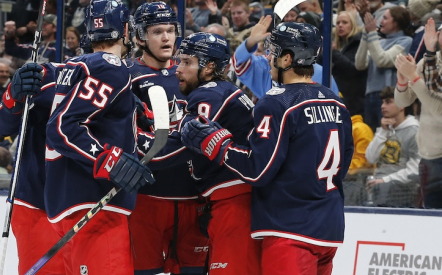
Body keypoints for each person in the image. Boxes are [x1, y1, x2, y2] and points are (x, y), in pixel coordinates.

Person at [181, 22, 354, 274]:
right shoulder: (336, 102)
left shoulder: (276, 102)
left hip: (290, 229)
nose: (268, 58)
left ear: (287, 58)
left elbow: (257, 171)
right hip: (330, 228)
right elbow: (343, 165)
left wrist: (215, 143)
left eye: (272, 52)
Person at [45, 0, 154, 274]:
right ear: (126, 29)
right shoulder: (112, 67)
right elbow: (62, 127)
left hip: (68, 204)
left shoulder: (76, 64)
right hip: (96, 207)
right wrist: (110, 160)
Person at [137, 32, 261, 274]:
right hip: (233, 200)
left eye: (186, 62)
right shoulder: (223, 91)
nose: (177, 69)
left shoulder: (209, 94)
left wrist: (131, 142)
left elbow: (176, 149)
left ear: (209, 67)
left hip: (237, 203)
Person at [128, 2, 208, 274]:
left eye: (171, 30)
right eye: (157, 31)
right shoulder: (127, 76)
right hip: (146, 198)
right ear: (140, 36)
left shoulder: (188, 73)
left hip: (192, 198)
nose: (166, 38)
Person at [0, 61, 67, 274]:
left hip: (91, 201)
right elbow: (2, 124)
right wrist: (13, 95)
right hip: (37, 202)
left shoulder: (122, 78)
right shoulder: (49, 74)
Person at [394, 18, 442, 208]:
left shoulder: (424, 66)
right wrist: (402, 81)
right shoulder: (427, 63)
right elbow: (402, 101)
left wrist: (413, 77)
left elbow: (439, 111)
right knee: (431, 219)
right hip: (429, 155)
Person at [232, 15, 340, 99]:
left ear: (288, 57)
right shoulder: (266, 66)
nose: (268, 57)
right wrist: (251, 40)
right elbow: (239, 64)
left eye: (274, 51)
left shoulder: (322, 74)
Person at [355, 6, 413, 131]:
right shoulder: (378, 41)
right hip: (370, 95)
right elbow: (360, 64)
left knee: (389, 135)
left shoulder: (406, 41)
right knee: (372, 136)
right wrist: (366, 33)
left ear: (396, 22)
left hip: (389, 98)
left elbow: (382, 60)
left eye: (385, 18)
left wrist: (371, 33)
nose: (381, 21)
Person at [365, 86, 420, 207]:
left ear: (402, 105)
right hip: (378, 190)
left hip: (403, 194)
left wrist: (385, 180)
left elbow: (415, 171)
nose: (382, 106)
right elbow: (370, 158)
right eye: (382, 102)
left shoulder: (415, 132)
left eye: (388, 102)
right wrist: (383, 132)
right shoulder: (385, 130)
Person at [332, 11, 367, 116]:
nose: (340, 25)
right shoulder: (338, 46)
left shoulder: (359, 42)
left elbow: (354, 69)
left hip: (355, 99)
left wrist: (334, 53)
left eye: (344, 22)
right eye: (338, 23)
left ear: (353, 24)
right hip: (339, 97)